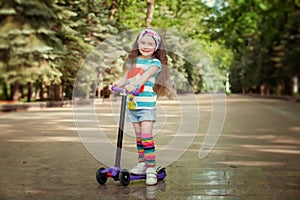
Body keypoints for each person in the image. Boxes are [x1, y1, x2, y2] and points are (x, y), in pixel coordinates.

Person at [113, 28, 169, 185]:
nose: (145, 46)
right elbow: (127, 77)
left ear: (156, 47)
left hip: (146, 106)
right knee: (139, 138)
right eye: (142, 42)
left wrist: (135, 85)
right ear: (138, 44)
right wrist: (119, 83)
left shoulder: (155, 63)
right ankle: (142, 163)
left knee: (146, 137)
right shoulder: (134, 61)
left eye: (150, 43)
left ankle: (151, 168)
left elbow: (144, 77)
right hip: (133, 104)